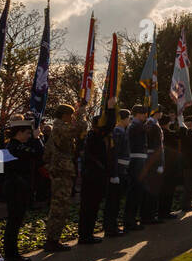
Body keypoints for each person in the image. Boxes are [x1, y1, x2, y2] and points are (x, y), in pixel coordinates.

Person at [42, 103, 86, 252]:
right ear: (64, 115)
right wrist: (81, 113)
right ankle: (52, 240)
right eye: (71, 115)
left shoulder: (57, 127)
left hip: (60, 169)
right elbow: (79, 128)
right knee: (59, 206)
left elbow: (47, 154)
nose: (72, 117)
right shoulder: (60, 127)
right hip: (62, 171)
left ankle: (53, 238)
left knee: (60, 205)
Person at [0, 118, 39, 261]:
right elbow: (38, 153)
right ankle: (11, 255)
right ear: (20, 132)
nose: (29, 135)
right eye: (28, 133)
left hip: (18, 186)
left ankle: (12, 253)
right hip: (16, 187)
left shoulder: (13, 145)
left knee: (15, 221)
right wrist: (37, 139)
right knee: (14, 221)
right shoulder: (16, 147)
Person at [78, 116, 110, 245]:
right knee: (89, 206)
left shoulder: (94, 136)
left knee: (92, 206)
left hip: (94, 175)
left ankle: (87, 233)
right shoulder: (93, 137)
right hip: (92, 175)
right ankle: (85, 235)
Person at [123, 106, 150, 229]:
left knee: (137, 191)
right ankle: (129, 221)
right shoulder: (134, 125)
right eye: (144, 114)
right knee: (135, 191)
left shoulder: (136, 125)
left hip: (139, 158)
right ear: (139, 114)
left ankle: (131, 219)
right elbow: (147, 129)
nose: (146, 116)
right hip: (136, 159)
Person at [104, 108, 129, 233]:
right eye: (128, 118)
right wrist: (114, 173)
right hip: (118, 170)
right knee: (113, 200)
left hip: (121, 169)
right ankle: (110, 227)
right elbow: (115, 153)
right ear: (123, 119)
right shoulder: (118, 132)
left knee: (116, 200)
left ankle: (112, 225)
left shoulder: (120, 131)